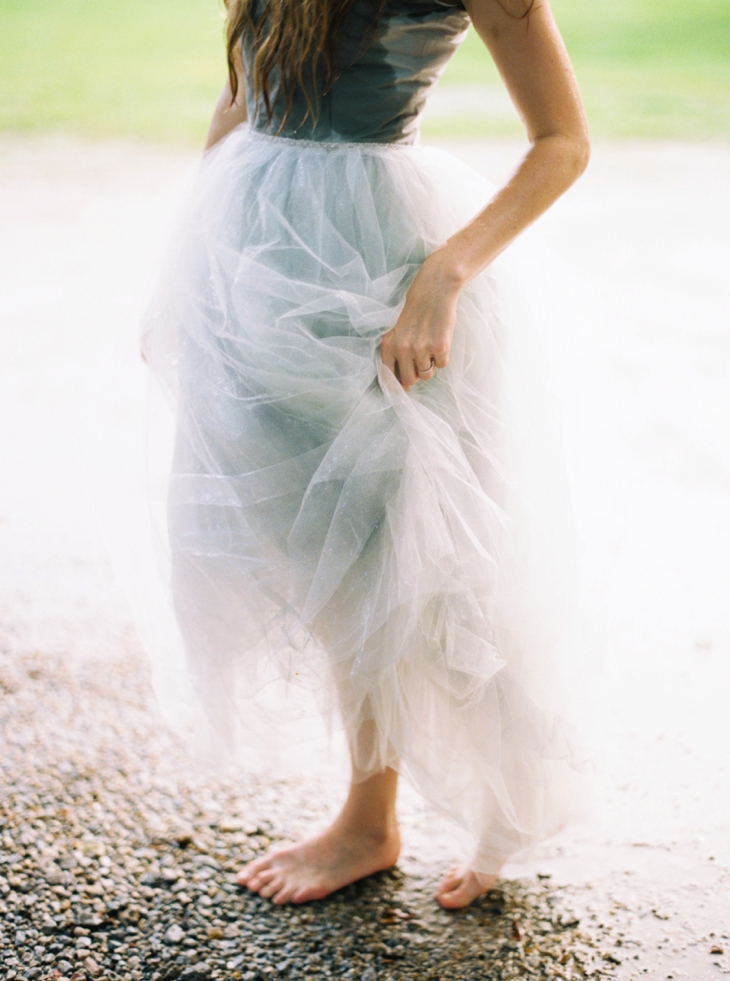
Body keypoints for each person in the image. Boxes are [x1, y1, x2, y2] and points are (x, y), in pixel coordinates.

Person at [141, 0, 591, 910]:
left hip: (380, 265)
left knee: (423, 545)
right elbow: (242, 98)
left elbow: (563, 142)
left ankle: (511, 794)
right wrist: (185, 276)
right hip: (256, 250)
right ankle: (369, 817)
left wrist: (446, 272)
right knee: (328, 548)